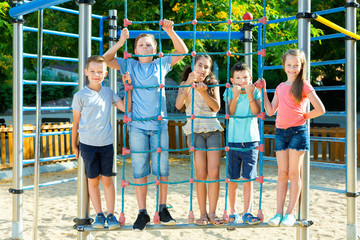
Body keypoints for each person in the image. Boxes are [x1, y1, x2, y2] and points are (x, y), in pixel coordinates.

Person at [103, 19, 188, 231]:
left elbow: (183, 51)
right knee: (140, 169)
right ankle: (143, 212)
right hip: (138, 125)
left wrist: (170, 31)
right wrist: (121, 41)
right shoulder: (128, 64)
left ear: (156, 49)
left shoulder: (161, 63)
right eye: (141, 44)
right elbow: (106, 59)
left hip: (159, 124)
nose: (145, 47)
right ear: (134, 50)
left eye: (149, 44)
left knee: (162, 168)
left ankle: (162, 208)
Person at [255, 49, 325, 227]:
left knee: (294, 173)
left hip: (297, 133)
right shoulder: (280, 87)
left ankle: (290, 213)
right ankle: (278, 213)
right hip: (280, 132)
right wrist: (263, 91)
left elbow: (320, 109)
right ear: (284, 66)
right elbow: (270, 111)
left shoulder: (304, 85)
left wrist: (304, 117)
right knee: (282, 173)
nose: (292, 68)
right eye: (289, 65)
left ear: (301, 66)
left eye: (296, 65)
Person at [72, 55, 132, 230]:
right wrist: (73, 145)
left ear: (105, 73)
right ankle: (99, 215)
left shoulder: (108, 93)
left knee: (107, 180)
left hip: (106, 144)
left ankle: (111, 214)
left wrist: (128, 87)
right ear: (86, 73)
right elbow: (75, 123)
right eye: (92, 71)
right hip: (87, 145)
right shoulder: (80, 96)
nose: (96, 75)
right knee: (92, 181)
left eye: (99, 72)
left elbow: (126, 108)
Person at [175, 55, 224, 226]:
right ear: (193, 66)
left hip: (212, 129)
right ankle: (202, 213)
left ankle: (212, 212)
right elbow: (178, 104)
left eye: (206, 67)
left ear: (209, 70)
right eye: (200, 65)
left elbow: (217, 107)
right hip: (194, 131)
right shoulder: (185, 85)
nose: (202, 69)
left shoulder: (212, 85)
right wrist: (189, 83)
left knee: (214, 172)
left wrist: (204, 92)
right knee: (201, 173)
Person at [223, 62, 262, 229]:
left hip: (251, 140)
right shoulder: (229, 91)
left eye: (245, 77)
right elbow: (230, 113)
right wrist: (236, 95)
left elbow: (256, 112)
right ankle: (233, 211)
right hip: (233, 140)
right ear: (232, 80)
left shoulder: (255, 91)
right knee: (233, 179)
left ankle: (247, 211)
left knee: (248, 178)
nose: (241, 81)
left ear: (250, 79)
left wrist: (250, 94)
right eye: (238, 78)